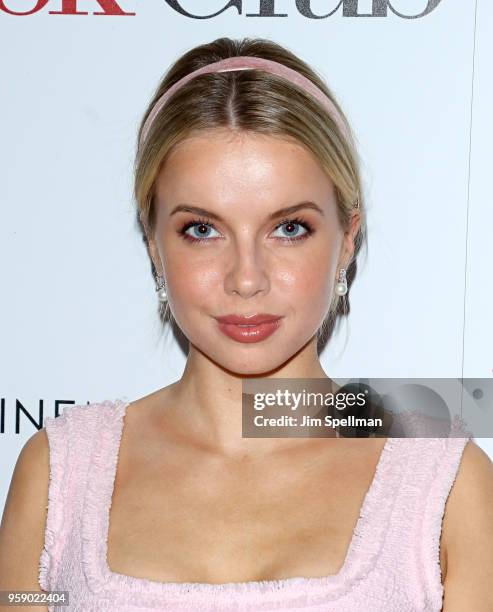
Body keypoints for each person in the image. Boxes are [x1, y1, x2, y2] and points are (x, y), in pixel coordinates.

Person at [1, 37, 492, 612]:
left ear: (347, 238)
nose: (246, 279)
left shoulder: (444, 485)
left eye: (288, 228)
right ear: (154, 243)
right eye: (202, 230)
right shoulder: (61, 473)